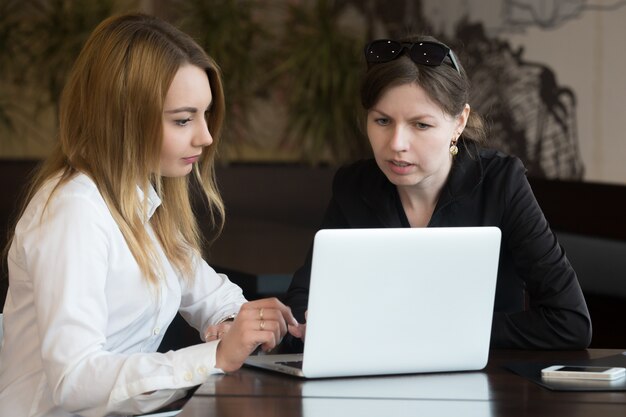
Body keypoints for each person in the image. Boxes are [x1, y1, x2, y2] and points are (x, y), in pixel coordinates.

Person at [0, 13, 301, 416]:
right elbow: (73, 380)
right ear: (124, 117)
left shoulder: (143, 201)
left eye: (206, 114)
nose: (206, 136)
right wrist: (212, 357)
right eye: (183, 119)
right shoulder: (73, 212)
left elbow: (213, 294)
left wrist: (234, 320)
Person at [283, 36, 591, 350]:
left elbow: (569, 322)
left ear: (459, 123)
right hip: (377, 380)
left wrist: (425, 330)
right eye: (382, 121)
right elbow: (302, 308)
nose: (396, 143)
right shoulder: (355, 185)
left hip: (484, 385)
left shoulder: (501, 183)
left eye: (421, 125)